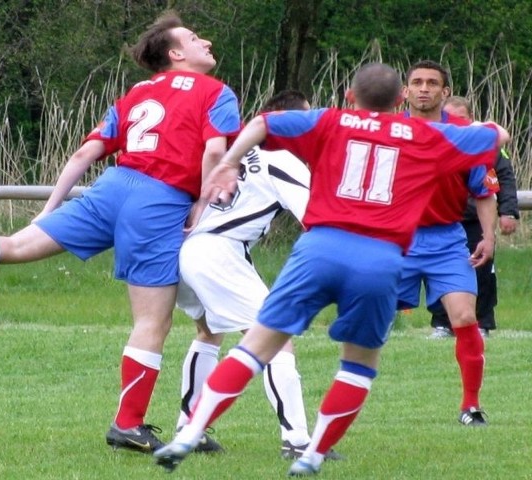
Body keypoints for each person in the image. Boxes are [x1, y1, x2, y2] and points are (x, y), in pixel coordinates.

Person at [0, 10, 241, 454]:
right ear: (175, 54)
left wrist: (47, 212)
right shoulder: (218, 92)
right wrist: (201, 203)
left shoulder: (137, 92)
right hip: (158, 200)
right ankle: (127, 425)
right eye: (194, 37)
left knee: (16, 245)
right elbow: (214, 151)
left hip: (112, 185)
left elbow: (84, 154)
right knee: (152, 321)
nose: (205, 41)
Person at [151, 62, 508, 476]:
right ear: (400, 100)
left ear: (351, 96)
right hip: (380, 256)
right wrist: (489, 128)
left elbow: (263, 122)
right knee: (358, 363)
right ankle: (313, 454)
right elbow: (497, 137)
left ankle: (190, 431)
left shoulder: (330, 120)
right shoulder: (429, 135)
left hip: (319, 248)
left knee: (257, 345)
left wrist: (229, 162)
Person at [175, 90, 340, 460]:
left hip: (188, 249)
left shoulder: (239, 152)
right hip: (217, 252)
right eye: (304, 121)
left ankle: (189, 427)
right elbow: (314, 218)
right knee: (276, 338)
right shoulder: (281, 158)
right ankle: (297, 440)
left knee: (208, 332)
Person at [399, 61, 499, 427]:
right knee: (366, 318)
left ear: (445, 92)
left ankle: (470, 406)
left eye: (432, 83)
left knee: (465, 317)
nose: (424, 88)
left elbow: (484, 191)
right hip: (397, 238)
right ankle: (342, 404)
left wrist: (488, 237)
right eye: (416, 83)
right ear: (405, 92)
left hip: (446, 239)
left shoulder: (464, 136)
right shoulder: (389, 132)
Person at [429, 96, 519, 338]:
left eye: (461, 118)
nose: (455, 122)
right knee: (439, 273)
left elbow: (505, 178)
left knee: (482, 271)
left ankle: (483, 322)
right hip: (444, 220)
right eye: (450, 117)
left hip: (476, 221)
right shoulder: (434, 141)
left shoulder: (482, 143)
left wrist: (508, 211)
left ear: (470, 119)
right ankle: (442, 324)